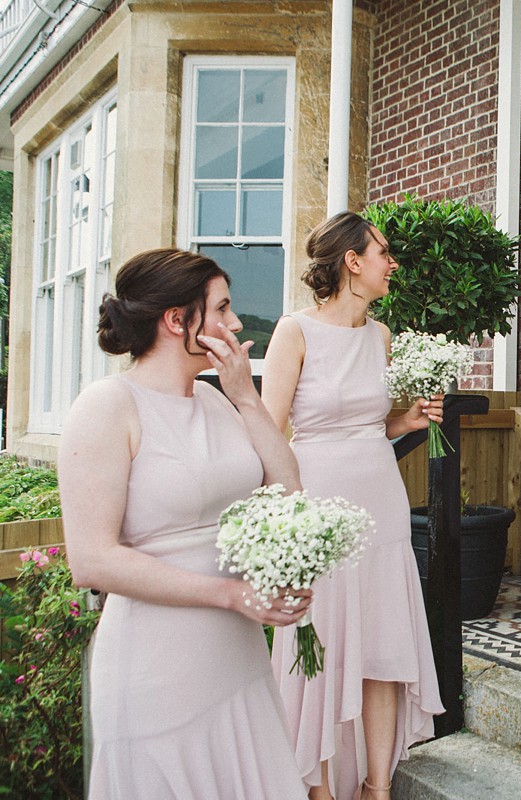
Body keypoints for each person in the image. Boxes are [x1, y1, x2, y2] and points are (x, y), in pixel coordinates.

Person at [59, 249, 311, 799]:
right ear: (178, 320)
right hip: (157, 666)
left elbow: (289, 492)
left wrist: (245, 394)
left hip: (236, 658)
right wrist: (230, 595)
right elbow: (92, 560)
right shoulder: (107, 405)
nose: (238, 322)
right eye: (223, 307)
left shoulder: (216, 400)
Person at [261, 212, 445, 800]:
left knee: (383, 641)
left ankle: (376, 787)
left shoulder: (381, 335)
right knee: (322, 642)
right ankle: (318, 786)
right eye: (383, 253)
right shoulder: (295, 331)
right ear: (352, 261)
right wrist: (282, 517)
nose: (392, 264)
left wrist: (406, 421)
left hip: (380, 500)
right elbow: (270, 431)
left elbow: (371, 423)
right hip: (318, 503)